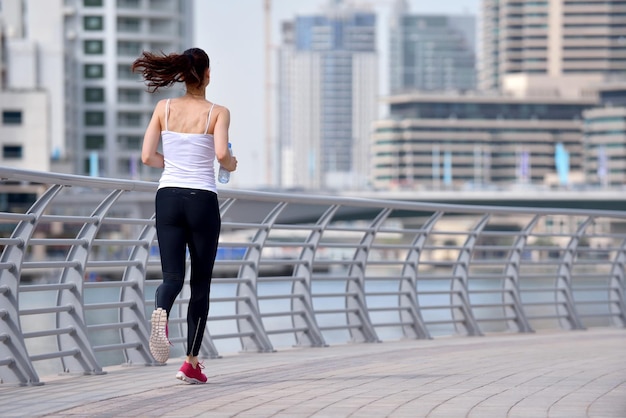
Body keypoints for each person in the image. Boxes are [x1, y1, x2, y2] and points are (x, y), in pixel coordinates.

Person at [131, 47, 237, 384]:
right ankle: (191, 362)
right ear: (207, 75)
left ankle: (162, 306)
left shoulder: (163, 108)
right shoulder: (217, 112)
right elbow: (221, 153)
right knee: (200, 284)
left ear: (181, 74)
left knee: (172, 277)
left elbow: (147, 156)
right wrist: (230, 164)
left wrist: (173, 164)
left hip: (168, 198)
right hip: (201, 199)